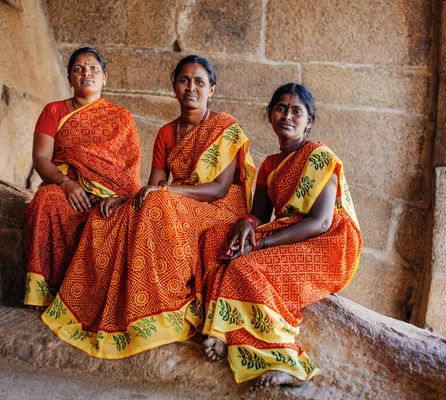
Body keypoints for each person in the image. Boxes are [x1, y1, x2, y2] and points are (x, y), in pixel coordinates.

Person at [41, 55, 256, 358]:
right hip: (176, 200)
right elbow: (152, 186)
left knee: (157, 202)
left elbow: (219, 188)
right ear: (174, 87)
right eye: (184, 80)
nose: (191, 87)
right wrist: (123, 200)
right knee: (108, 217)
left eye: (199, 82)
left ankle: (163, 305)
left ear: (212, 89)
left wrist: (164, 191)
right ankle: (103, 306)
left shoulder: (225, 126)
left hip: (219, 205)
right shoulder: (167, 133)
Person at [200, 83, 362, 390]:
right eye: (280, 109)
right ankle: (224, 330)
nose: (287, 115)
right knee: (216, 242)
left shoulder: (320, 156)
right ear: (271, 115)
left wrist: (260, 244)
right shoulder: (270, 165)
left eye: (296, 111)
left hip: (329, 243)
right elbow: (260, 214)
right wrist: (247, 225)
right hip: (287, 233)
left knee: (246, 266)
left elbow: (321, 221)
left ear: (309, 121)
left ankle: (289, 364)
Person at [24, 47, 141, 308]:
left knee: (128, 218)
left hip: (110, 194)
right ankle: (45, 292)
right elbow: (41, 158)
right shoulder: (54, 111)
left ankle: (95, 300)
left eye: (93, 68)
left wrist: (119, 197)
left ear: (105, 78)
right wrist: (66, 184)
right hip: (67, 186)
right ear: (69, 80)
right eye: (78, 69)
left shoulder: (122, 118)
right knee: (46, 200)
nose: (86, 73)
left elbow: (131, 169)